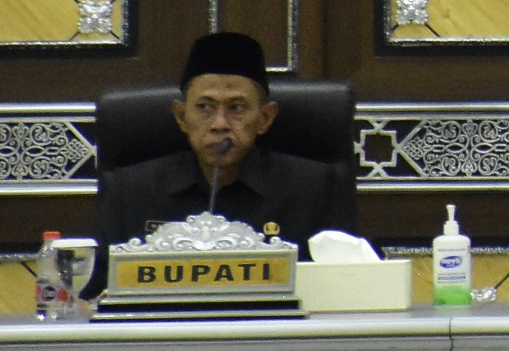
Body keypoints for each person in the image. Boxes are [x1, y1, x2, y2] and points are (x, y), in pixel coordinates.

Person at [95, 31, 358, 257]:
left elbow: (340, 284)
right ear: (181, 116)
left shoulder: (313, 189)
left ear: (265, 118)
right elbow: (100, 290)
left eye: (237, 107)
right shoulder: (131, 190)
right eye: (204, 107)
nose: (220, 123)